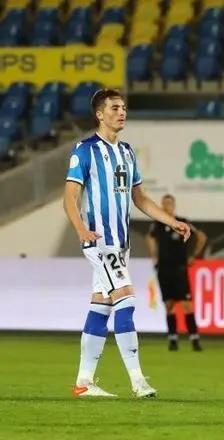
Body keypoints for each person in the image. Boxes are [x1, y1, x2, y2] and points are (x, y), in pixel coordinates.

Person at [63, 88, 191, 398]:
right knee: (126, 299)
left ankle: (83, 382)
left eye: (123, 108)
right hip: (98, 240)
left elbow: (140, 197)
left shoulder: (127, 152)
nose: (122, 113)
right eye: (115, 108)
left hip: (119, 243)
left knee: (102, 305)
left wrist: (170, 220)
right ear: (100, 114)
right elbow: (70, 196)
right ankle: (137, 380)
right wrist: (81, 229)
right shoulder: (85, 150)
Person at [145, 194, 207, 352]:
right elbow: (149, 238)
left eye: (170, 203)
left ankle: (194, 338)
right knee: (169, 304)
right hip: (164, 268)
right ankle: (173, 339)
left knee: (187, 304)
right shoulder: (157, 224)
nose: (167, 206)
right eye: (165, 204)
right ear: (162, 206)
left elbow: (201, 236)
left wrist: (194, 255)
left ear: (173, 205)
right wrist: (154, 256)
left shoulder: (182, 222)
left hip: (179, 268)